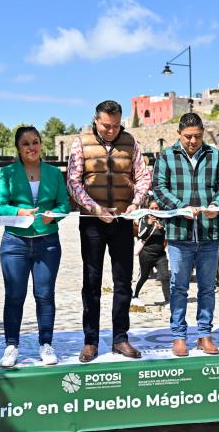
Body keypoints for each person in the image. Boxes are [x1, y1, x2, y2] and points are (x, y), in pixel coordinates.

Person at [67, 100, 151, 363]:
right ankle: (90, 341)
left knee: (123, 282)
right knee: (91, 282)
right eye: (106, 125)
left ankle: (120, 338)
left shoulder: (131, 142)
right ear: (96, 120)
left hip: (123, 221)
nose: (111, 130)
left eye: (115, 125)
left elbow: (143, 176)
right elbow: (73, 181)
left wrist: (136, 204)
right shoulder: (80, 142)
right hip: (92, 221)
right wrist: (94, 209)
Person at [153, 113, 219, 357]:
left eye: (197, 136)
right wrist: (178, 207)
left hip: (209, 234)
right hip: (179, 233)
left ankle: (205, 335)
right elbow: (159, 188)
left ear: (203, 133)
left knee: (207, 288)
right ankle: (178, 336)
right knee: (179, 287)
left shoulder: (215, 155)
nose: (193, 141)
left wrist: (215, 205)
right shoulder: (166, 156)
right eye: (188, 136)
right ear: (179, 133)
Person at [0, 126, 70, 368]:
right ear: (18, 147)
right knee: (14, 296)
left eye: (35, 141)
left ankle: (46, 344)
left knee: (45, 295)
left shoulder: (54, 173)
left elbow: (64, 204)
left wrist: (54, 215)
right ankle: (11, 346)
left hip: (47, 242)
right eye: (25, 143)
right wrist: (19, 212)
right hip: (15, 241)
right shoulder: (7, 173)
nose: (31, 147)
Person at [132, 198, 170, 306]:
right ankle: (134, 296)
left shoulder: (164, 218)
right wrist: (149, 224)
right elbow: (140, 235)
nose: (154, 210)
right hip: (146, 253)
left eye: (156, 208)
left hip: (160, 254)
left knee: (165, 277)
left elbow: (167, 235)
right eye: (152, 208)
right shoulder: (143, 219)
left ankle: (168, 299)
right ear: (148, 209)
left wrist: (162, 229)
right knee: (143, 276)